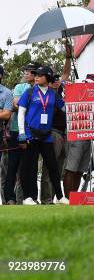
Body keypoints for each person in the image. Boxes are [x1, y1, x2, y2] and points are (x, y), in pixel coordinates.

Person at [17, 66, 69, 205]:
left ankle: (59, 196)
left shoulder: (53, 94)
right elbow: (21, 113)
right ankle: (27, 197)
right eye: (36, 75)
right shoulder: (29, 92)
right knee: (28, 166)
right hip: (30, 134)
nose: (36, 77)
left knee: (53, 166)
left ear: (48, 78)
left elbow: (66, 108)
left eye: (40, 75)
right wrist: (22, 133)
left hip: (46, 135)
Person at [3, 62, 39, 204]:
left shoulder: (41, 89)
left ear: (37, 74)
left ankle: (30, 197)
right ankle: (9, 198)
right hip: (17, 130)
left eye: (30, 71)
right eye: (26, 71)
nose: (26, 73)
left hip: (34, 133)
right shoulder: (19, 86)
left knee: (30, 167)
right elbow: (16, 104)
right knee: (12, 165)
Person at [40, 46, 72, 204]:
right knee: (49, 167)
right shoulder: (46, 93)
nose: (57, 81)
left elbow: (65, 73)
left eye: (58, 79)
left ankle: (55, 197)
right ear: (48, 82)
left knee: (58, 168)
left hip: (64, 133)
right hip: (52, 133)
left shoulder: (60, 92)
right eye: (53, 80)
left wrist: (68, 56)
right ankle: (46, 199)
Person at [63, 73, 94, 195]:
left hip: (89, 138)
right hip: (76, 136)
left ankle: (75, 196)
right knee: (71, 168)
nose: (87, 86)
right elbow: (65, 109)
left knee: (80, 170)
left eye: (90, 85)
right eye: (86, 83)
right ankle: (68, 199)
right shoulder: (76, 94)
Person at [0, 65, 14, 204]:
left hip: (1, 134)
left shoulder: (7, 92)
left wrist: (2, 113)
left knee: (4, 169)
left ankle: (6, 201)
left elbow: (6, 114)